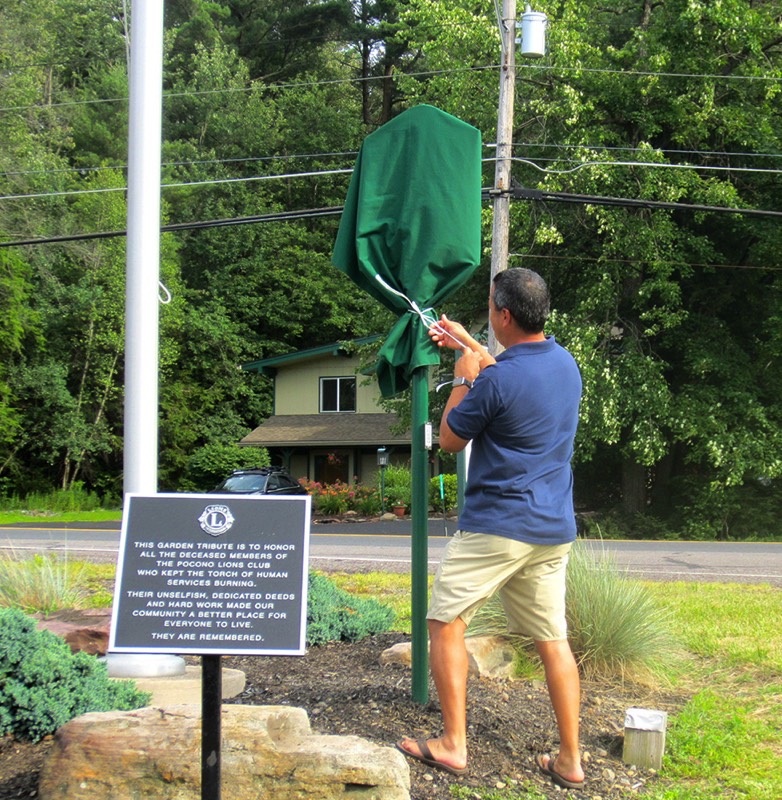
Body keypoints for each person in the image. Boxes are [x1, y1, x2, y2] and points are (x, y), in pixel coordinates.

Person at [396, 267, 585, 791]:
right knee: (554, 641)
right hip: (551, 528)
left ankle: (454, 744)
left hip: (498, 527)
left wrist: (462, 371)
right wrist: (469, 343)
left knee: (445, 622)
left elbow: (451, 439)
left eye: (489, 307)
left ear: (504, 314)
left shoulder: (494, 378)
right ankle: (570, 759)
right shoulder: (565, 364)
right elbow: (513, 371)